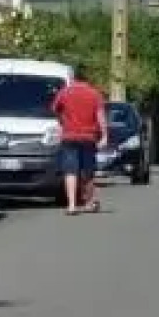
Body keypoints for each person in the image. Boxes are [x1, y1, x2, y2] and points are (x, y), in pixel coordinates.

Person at [51, 75, 108, 214]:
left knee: (70, 171)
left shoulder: (65, 92)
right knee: (88, 172)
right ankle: (89, 202)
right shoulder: (94, 94)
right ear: (87, 81)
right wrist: (105, 136)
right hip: (89, 137)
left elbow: (55, 109)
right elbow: (100, 117)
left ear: (73, 79)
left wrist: (62, 122)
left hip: (69, 136)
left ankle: (71, 205)